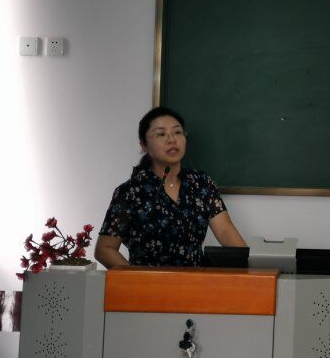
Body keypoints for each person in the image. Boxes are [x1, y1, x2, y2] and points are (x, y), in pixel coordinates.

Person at [95, 106, 246, 268]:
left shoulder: (201, 183)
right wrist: (137, 279)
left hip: (196, 281)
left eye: (177, 132)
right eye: (161, 134)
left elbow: (225, 230)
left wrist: (249, 265)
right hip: (148, 282)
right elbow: (105, 249)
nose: (172, 139)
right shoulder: (130, 192)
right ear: (144, 145)